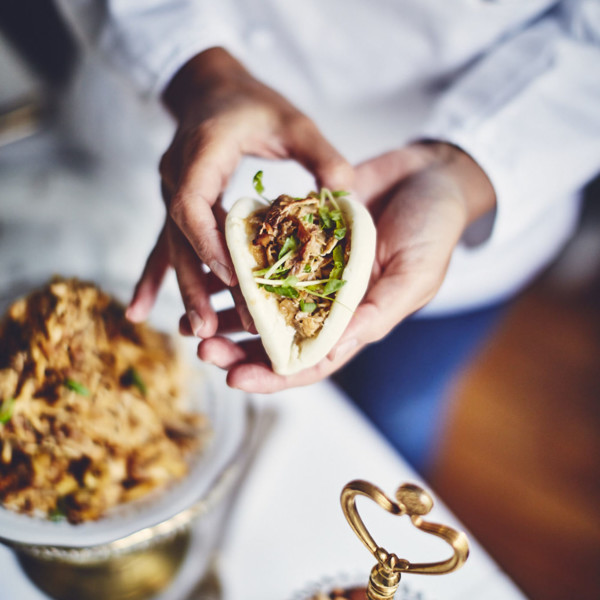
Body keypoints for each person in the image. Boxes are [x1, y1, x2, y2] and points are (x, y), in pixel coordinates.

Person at [54, 0, 600, 470]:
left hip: (476, 190)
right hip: (164, 117)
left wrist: (460, 174)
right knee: (164, 395)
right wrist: (198, 72)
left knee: (395, 422)